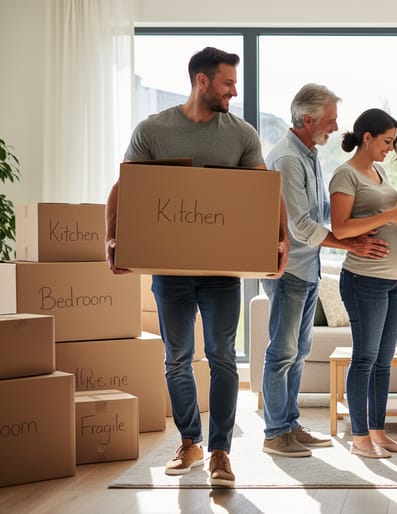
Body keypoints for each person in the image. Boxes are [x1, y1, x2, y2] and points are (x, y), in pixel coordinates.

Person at [105, 47, 289, 488]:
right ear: (201, 81)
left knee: (224, 357)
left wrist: (280, 240)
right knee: (177, 358)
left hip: (223, 270)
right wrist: (112, 239)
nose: (234, 91)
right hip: (170, 268)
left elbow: (265, 191)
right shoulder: (154, 129)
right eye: (228, 83)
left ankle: (220, 452)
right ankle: (189, 441)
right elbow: (126, 186)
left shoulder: (241, 134)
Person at [261, 84, 389, 457]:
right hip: (289, 270)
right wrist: (350, 244)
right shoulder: (287, 158)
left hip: (308, 268)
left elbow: (322, 213)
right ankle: (274, 432)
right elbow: (301, 225)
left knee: (298, 351)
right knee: (281, 352)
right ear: (307, 119)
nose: (336, 128)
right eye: (330, 121)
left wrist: (362, 221)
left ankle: (289, 423)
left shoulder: (309, 154)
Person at [328, 108, 397, 459]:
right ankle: (359, 438)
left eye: (393, 142)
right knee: (365, 359)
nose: (390, 148)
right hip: (363, 280)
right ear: (366, 137)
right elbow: (341, 228)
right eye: (386, 141)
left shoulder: (378, 171)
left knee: (384, 361)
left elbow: (388, 213)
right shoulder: (344, 175)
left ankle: (379, 432)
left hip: (393, 280)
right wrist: (391, 214)